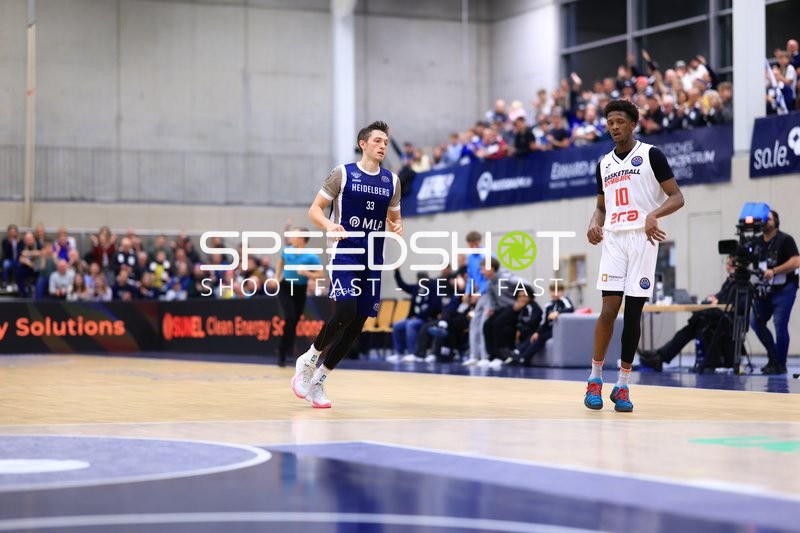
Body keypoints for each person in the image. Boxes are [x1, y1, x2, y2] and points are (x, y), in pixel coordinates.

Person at [290, 120, 402, 408]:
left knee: (358, 323)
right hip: (344, 252)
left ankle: (319, 382)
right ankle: (310, 357)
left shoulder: (392, 181)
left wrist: (396, 226)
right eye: (377, 141)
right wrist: (330, 225)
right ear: (363, 143)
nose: (382, 146)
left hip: (373, 257)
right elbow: (314, 209)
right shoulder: (343, 174)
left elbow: (394, 217)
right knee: (346, 310)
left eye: (386, 143)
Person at [585, 99, 684, 412]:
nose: (614, 127)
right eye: (610, 122)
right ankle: (595, 378)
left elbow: (677, 196)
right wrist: (593, 222)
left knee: (633, 315)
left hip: (643, 239)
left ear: (632, 124)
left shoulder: (651, 154)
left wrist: (654, 214)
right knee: (608, 309)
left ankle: (623, 385)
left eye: (620, 121)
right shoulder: (603, 164)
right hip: (614, 238)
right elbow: (602, 206)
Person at [639, 256, 737, 372]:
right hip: (717, 315)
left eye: (730, 265)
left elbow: (729, 304)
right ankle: (658, 356)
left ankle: (659, 356)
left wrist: (717, 301)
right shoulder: (728, 282)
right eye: (727, 264)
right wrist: (713, 299)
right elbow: (718, 297)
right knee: (689, 328)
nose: (728, 267)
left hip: (725, 319)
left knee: (692, 326)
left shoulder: (737, 284)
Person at [749, 210, 799, 375]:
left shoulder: (785, 240)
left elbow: (796, 261)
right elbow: (746, 258)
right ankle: (773, 357)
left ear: (776, 221)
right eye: (763, 219)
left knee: (780, 325)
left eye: (769, 218)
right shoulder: (756, 242)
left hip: (784, 289)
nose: (765, 221)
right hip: (764, 290)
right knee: (755, 322)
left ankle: (780, 363)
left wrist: (775, 270)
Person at [275, 228, 323, 367]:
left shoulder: (311, 256)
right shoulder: (286, 250)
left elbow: (320, 274)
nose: (291, 237)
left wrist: (306, 273)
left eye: (294, 235)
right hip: (285, 287)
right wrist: (277, 277)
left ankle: (286, 350)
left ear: (302, 239)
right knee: (289, 317)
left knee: (294, 321)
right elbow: (280, 261)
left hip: (300, 290)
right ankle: (285, 351)